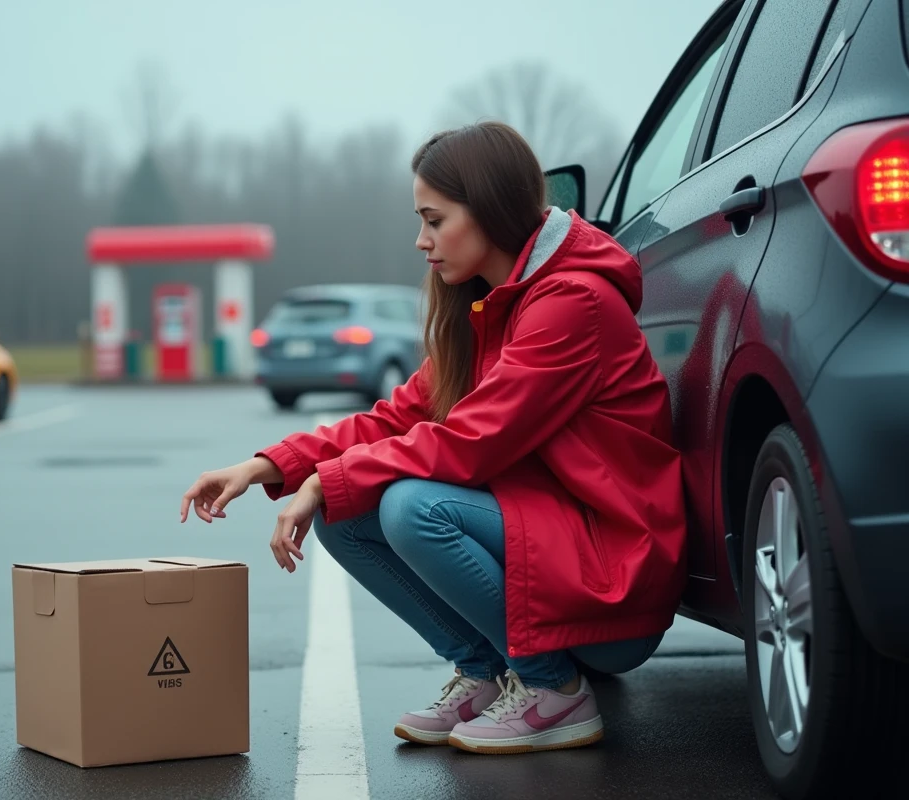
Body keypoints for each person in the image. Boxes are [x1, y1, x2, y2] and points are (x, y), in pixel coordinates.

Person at [179, 121, 686, 755]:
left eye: (434, 219)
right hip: (558, 552)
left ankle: (555, 690)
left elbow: (473, 444)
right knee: (348, 510)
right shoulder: (494, 307)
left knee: (412, 506)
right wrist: (264, 466)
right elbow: (396, 418)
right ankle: (486, 671)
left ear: (490, 212)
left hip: (613, 578)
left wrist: (323, 481)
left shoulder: (571, 304)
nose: (421, 241)